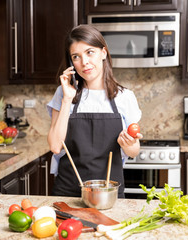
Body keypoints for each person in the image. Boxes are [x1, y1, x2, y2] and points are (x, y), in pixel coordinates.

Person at [46, 24, 142, 198]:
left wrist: (129, 144)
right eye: (76, 57)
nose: (84, 62)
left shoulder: (124, 97)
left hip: (108, 192)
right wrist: (67, 99)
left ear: (103, 53)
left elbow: (134, 151)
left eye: (90, 52)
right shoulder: (63, 93)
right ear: (71, 62)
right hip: (68, 191)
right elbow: (55, 146)